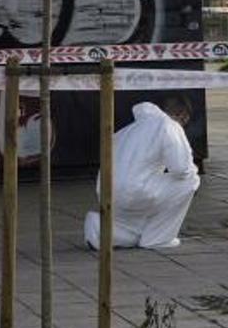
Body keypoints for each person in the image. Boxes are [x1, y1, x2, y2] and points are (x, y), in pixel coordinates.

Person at [84, 96, 200, 250]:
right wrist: (193, 169)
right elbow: (181, 169)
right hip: (136, 191)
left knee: (133, 229)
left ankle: (98, 228)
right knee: (191, 180)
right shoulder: (168, 125)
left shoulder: (125, 131)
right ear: (181, 115)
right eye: (184, 122)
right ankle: (158, 239)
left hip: (107, 193)